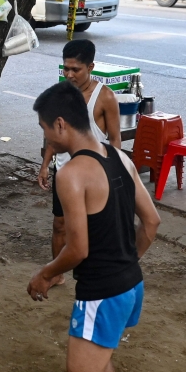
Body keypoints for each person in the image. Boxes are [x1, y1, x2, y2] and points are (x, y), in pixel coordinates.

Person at [27, 81, 160, 372]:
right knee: (100, 358)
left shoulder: (71, 174)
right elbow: (152, 223)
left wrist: (44, 275)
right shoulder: (119, 155)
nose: (45, 136)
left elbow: (77, 248)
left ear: (62, 124)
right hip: (131, 286)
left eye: (45, 128)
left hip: (101, 293)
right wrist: (125, 264)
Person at [38, 40, 122, 288]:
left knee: (95, 229)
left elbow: (116, 139)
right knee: (60, 224)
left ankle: (97, 276)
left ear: (91, 67)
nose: (70, 74)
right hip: (64, 173)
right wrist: (45, 164)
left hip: (95, 177)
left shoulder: (105, 97)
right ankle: (56, 274)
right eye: (66, 69)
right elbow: (54, 135)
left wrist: (113, 172)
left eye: (76, 69)